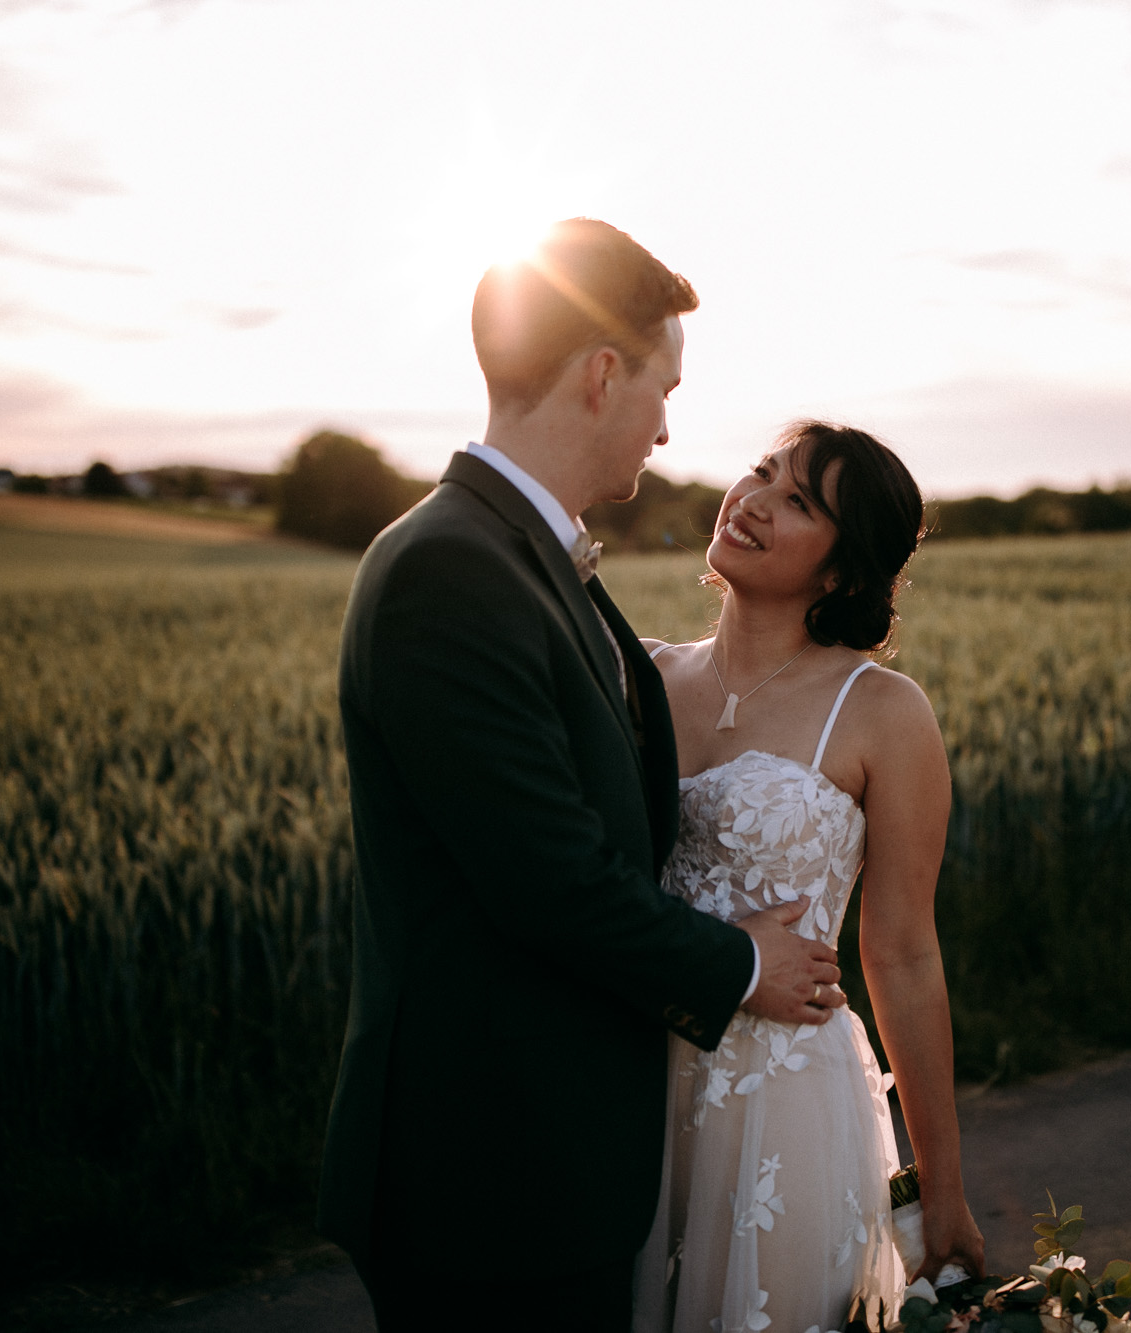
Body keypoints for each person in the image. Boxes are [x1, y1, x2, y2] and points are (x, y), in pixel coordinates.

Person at [316, 220, 849, 1332]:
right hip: (487, 1173)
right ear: (604, 375)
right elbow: (548, 880)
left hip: (545, 1159)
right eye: (665, 387)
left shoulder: (519, 557)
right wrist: (743, 960)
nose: (667, 427)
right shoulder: (450, 569)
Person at [630, 421, 987, 1333]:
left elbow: (903, 954)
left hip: (781, 1102)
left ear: (842, 572)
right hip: (628, 1078)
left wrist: (941, 1186)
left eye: (796, 502)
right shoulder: (639, 676)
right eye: (761, 472)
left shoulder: (882, 712)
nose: (753, 501)